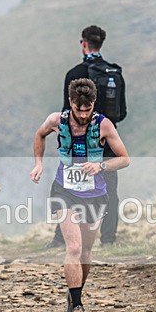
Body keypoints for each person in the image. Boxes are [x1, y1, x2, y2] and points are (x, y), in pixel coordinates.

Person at [30, 78, 130, 312]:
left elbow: (125, 158)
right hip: (64, 191)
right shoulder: (57, 120)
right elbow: (39, 134)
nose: (83, 114)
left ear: (93, 104)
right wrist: (39, 164)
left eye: (88, 109)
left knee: (85, 250)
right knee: (73, 247)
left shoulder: (103, 125)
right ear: (71, 103)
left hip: (95, 194)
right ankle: (77, 306)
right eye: (78, 109)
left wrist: (101, 165)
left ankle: (75, 292)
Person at [45, 25, 127, 249]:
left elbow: (65, 113)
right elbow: (122, 112)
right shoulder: (114, 73)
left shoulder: (74, 75)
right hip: (107, 137)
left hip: (78, 143)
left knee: (70, 188)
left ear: (84, 43)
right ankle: (108, 240)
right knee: (110, 189)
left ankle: (61, 238)